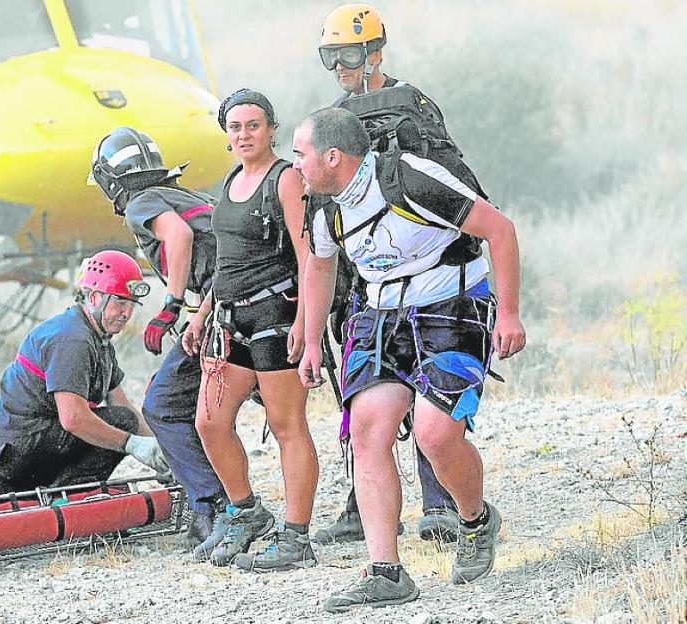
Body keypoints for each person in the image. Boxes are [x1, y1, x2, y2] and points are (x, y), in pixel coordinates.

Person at [293, 107, 524, 611]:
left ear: (333, 157)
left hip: (453, 307)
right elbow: (319, 267)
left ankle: (475, 520)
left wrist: (508, 314)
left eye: (301, 154)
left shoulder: (412, 180)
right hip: (379, 318)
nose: (296, 167)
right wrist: (312, 340)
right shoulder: (325, 207)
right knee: (368, 429)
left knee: (436, 435)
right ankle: (385, 572)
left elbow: (500, 231)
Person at [312, 2, 461, 546]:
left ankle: (441, 503)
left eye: (346, 54)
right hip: (359, 278)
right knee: (360, 394)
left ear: (375, 51)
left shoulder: (410, 108)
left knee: (426, 385)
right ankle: (363, 505)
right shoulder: (334, 117)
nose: (339, 67)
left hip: (421, 273)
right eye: (329, 56)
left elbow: (445, 182)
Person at [180, 89, 319, 572]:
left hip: (276, 315)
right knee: (210, 422)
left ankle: (297, 536)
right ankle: (246, 512)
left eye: (253, 125)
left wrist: (306, 322)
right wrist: (200, 315)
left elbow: (309, 256)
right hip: (228, 318)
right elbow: (224, 262)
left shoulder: (286, 180)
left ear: (272, 128)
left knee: (286, 426)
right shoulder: (230, 181)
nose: (244, 134)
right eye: (236, 127)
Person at [89, 127, 226, 549]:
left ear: (112, 180)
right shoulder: (191, 196)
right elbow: (224, 261)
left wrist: (170, 307)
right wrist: (199, 313)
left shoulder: (141, 203)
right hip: (239, 300)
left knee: (164, 406)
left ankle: (215, 506)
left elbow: (180, 237)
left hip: (227, 309)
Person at [0, 250, 171, 495]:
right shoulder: (73, 341)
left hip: (23, 444)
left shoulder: (98, 337)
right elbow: (73, 419)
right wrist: (133, 444)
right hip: (15, 450)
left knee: (123, 419)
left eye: (131, 305)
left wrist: (165, 451)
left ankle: (1, 491)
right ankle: (67, 496)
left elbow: (122, 405)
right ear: (93, 298)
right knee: (120, 423)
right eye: (120, 302)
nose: (127, 313)